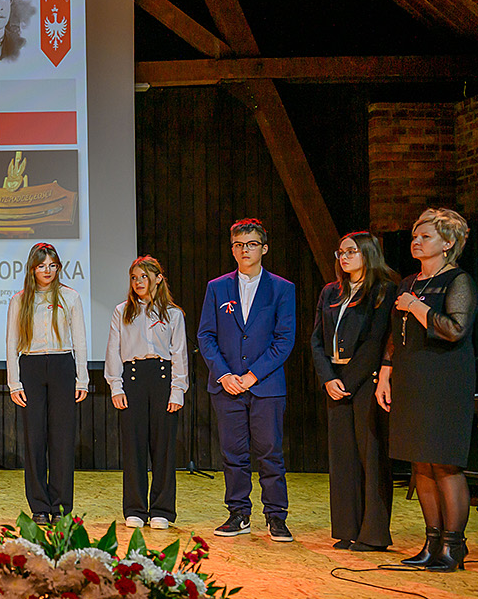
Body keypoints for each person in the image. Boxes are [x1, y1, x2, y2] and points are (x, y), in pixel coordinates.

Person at [376, 208, 478, 572]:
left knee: (445, 463)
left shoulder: (458, 281)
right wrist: (385, 372)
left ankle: (454, 546)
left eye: (426, 237)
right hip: (411, 378)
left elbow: (455, 330)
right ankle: (432, 542)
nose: (416, 242)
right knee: (420, 462)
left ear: (447, 243)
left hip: (446, 380)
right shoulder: (408, 282)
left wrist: (417, 307)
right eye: (414, 237)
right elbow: (394, 333)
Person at [198, 218, 298, 542]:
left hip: (266, 386)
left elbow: (284, 339)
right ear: (232, 249)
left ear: (264, 248)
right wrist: (225, 375)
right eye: (238, 245)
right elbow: (206, 336)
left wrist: (252, 375)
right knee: (233, 455)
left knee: (270, 453)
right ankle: (239, 514)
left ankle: (276, 516)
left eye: (251, 244)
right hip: (227, 386)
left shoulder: (282, 288)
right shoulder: (217, 287)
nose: (245, 250)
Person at [310, 232, 396, 552]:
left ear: (368, 254)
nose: (344, 257)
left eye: (351, 252)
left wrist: (348, 381)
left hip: (365, 380)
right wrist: (328, 379)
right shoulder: (331, 291)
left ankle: (373, 534)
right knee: (343, 456)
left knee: (370, 456)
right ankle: (347, 529)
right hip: (335, 379)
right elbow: (316, 339)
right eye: (341, 252)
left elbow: (376, 340)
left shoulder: (383, 290)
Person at [104, 255, 188, 530]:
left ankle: (162, 509)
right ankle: (136, 508)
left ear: (158, 279)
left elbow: (179, 354)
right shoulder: (122, 312)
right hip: (133, 379)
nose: (138, 282)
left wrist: (177, 390)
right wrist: (116, 386)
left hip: (162, 379)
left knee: (163, 448)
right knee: (134, 448)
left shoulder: (173, 314)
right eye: (134, 277)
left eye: (144, 276)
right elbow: (113, 351)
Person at [7, 243, 88, 524]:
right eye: (41, 266)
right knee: (34, 439)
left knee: (62, 439)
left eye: (52, 265)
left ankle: (61, 506)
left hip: (62, 365)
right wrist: (14, 382)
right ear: (32, 269)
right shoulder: (19, 300)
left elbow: (80, 341)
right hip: (30, 367)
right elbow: (11, 343)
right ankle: (40, 506)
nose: (47, 271)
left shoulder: (70, 297)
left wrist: (83, 378)